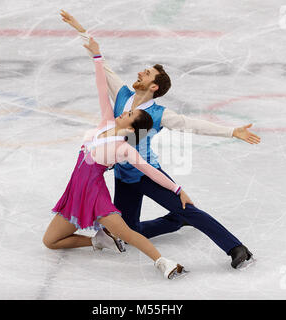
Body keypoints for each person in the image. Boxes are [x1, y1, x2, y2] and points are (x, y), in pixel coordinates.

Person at [60, 10, 261, 269]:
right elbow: (102, 66)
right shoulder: (122, 94)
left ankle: (236, 247)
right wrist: (81, 30)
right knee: (129, 232)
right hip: (124, 176)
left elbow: (193, 125)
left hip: (148, 173)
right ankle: (175, 221)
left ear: (154, 86)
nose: (140, 73)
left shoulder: (159, 113)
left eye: (146, 74)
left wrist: (232, 131)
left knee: (189, 208)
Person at [42, 36, 190, 279]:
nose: (125, 111)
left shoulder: (124, 149)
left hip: (94, 194)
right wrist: (97, 56)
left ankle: (164, 262)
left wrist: (177, 189)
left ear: (132, 128)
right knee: (50, 241)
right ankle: (99, 242)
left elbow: (151, 172)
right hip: (74, 192)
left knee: (128, 234)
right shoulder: (105, 122)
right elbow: (102, 87)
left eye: (130, 113)